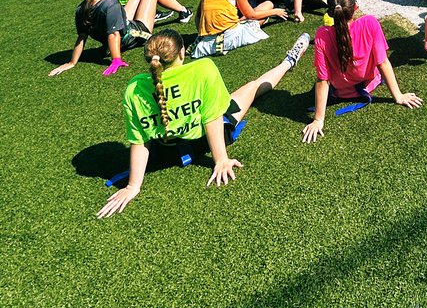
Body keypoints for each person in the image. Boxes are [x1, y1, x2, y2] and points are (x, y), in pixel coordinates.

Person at [96, 29, 311, 217]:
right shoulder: (203, 68)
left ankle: (288, 61)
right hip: (205, 143)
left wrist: (133, 186)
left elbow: (140, 140)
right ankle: (288, 61)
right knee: (253, 87)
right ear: (181, 53)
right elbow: (212, 118)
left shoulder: (134, 88)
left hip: (166, 153)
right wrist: (220, 160)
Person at [302, 0, 422, 143]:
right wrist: (398, 96)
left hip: (341, 92)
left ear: (330, 13)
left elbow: (322, 80)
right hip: (369, 85)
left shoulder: (322, 35)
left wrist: (318, 120)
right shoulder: (370, 23)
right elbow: (383, 62)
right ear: (355, 8)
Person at [51, 0, 191, 77]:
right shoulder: (111, 3)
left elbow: (82, 37)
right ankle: (184, 12)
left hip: (121, 30)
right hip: (134, 34)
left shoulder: (81, 8)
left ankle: (179, 11)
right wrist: (116, 59)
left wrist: (72, 62)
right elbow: (113, 34)